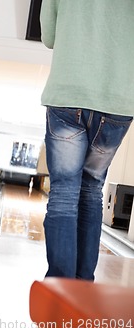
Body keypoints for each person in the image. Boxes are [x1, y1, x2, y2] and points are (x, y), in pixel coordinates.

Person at [40, 0, 134, 280]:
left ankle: (60, 287)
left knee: (64, 193)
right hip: (119, 101)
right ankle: (82, 286)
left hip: (68, 95)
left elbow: (49, 37)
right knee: (92, 190)